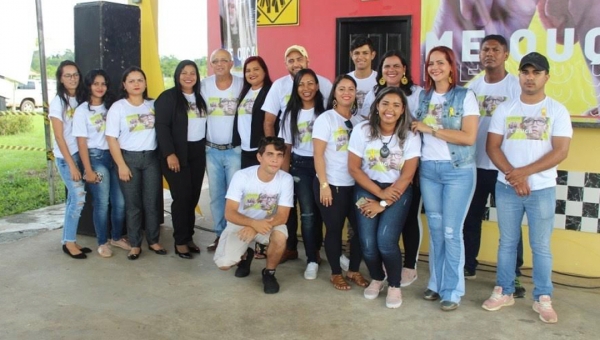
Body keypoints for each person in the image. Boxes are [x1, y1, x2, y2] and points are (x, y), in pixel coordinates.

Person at [482, 52, 572, 324]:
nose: (530, 77)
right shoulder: (505, 109)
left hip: (542, 189)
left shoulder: (557, 110)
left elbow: (561, 151)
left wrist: (524, 174)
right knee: (507, 242)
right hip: (508, 188)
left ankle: (543, 297)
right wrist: (514, 176)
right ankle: (504, 290)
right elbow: (492, 146)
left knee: (541, 245)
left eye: (536, 72)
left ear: (546, 77)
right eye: (525, 72)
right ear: (519, 75)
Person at [411, 46, 479, 311]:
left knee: (452, 232)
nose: (435, 67)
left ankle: (453, 290)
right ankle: (437, 284)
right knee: (437, 231)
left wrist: (432, 129)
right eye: (430, 63)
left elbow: (468, 137)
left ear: (452, 66)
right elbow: (413, 129)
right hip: (429, 171)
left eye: (441, 62)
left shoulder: (465, 96)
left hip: (457, 171)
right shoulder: (423, 97)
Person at [462, 35, 527, 297]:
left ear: (506, 55)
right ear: (480, 55)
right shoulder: (473, 88)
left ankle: (514, 274)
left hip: (505, 168)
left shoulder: (515, 87)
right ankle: (467, 266)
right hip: (475, 165)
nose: (490, 54)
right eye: (485, 50)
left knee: (510, 224)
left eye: (495, 50)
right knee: (471, 218)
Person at [348, 87, 420, 308]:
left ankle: (395, 285)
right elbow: (354, 168)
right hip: (365, 188)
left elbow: (407, 175)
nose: (390, 109)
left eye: (396, 105)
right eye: (385, 103)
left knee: (386, 241)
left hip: (398, 189)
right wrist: (379, 195)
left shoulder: (410, 135)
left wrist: (383, 203)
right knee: (368, 243)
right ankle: (378, 277)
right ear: (377, 106)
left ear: (403, 110)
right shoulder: (362, 130)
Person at [261, 45, 332, 262]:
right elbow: (270, 122)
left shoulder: (325, 86)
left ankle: (325, 252)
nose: (295, 63)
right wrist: (276, 161)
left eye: (298, 58)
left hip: (326, 161)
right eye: (290, 60)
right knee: (298, 209)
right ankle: (296, 250)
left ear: (307, 60)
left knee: (326, 211)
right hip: (296, 160)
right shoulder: (280, 90)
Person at [361, 50, 424, 287]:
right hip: (376, 169)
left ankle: (409, 265)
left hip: (408, 164)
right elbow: (365, 124)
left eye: (396, 66)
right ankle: (385, 263)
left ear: (404, 69)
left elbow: (420, 124)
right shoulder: (373, 94)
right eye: (387, 67)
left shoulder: (417, 93)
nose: (391, 71)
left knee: (408, 217)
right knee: (374, 223)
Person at [213, 137, 293, 294]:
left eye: (279, 155)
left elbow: (282, 216)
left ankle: (269, 273)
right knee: (224, 265)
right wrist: (253, 224)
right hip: (241, 222)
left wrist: (256, 228)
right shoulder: (242, 176)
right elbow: (229, 213)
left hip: (269, 223)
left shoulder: (286, 179)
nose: (275, 160)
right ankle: (245, 255)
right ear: (259, 157)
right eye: (270, 154)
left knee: (280, 237)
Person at [313, 75, 367, 291]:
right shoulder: (326, 119)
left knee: (359, 230)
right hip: (332, 185)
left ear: (355, 94)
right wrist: (324, 185)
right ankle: (336, 273)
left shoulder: (359, 123)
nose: (346, 92)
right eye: (342, 88)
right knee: (334, 230)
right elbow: (317, 155)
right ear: (334, 93)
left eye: (351, 89)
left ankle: (353, 270)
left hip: (355, 186)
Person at [106, 66, 166, 260]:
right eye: (131, 81)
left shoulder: (153, 105)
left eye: (140, 80)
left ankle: (154, 240)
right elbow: (111, 139)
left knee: (152, 202)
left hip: (151, 159)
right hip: (128, 159)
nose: (136, 84)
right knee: (133, 205)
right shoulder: (119, 107)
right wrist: (121, 165)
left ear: (145, 83)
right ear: (124, 85)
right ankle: (134, 244)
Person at [73, 69, 129, 258]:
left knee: (120, 202)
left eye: (103, 83)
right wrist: (87, 170)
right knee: (102, 202)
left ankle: (116, 237)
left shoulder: (112, 107)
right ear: (89, 85)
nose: (100, 87)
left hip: (114, 156)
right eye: (96, 83)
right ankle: (102, 242)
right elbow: (81, 142)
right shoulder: (82, 111)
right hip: (95, 158)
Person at [155, 60, 208, 259]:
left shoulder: (200, 97)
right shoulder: (168, 98)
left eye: (192, 73)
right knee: (182, 197)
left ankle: (188, 236)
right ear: (177, 75)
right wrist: (170, 154)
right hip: (176, 153)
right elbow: (162, 127)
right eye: (184, 72)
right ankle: (180, 241)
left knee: (193, 197)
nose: (188, 76)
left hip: (197, 152)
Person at [278, 69, 325, 279]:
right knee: (307, 214)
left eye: (310, 83)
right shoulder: (290, 114)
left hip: (324, 165)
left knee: (324, 213)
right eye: (301, 84)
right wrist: (284, 175)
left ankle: (319, 251)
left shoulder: (325, 111)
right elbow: (287, 147)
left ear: (317, 86)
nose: (306, 88)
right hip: (301, 166)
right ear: (296, 89)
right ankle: (312, 260)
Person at [201, 49, 244, 252]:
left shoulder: (241, 84)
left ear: (231, 64)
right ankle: (220, 235)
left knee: (235, 196)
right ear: (211, 64)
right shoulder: (204, 85)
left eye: (224, 60)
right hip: (211, 151)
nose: (219, 64)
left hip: (234, 150)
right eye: (215, 61)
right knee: (216, 196)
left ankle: (234, 236)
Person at [50, 60, 87, 259]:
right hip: (66, 158)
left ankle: (68, 239)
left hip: (79, 154)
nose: (72, 79)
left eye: (75, 75)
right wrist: (72, 165)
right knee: (79, 199)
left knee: (73, 199)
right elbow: (58, 136)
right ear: (61, 79)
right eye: (67, 75)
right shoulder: (58, 102)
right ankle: (69, 243)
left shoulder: (79, 99)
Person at [347, 35, 377, 112]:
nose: (360, 57)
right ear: (351, 55)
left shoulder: (380, 79)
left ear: (372, 55)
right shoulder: (345, 80)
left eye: (365, 53)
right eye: (357, 53)